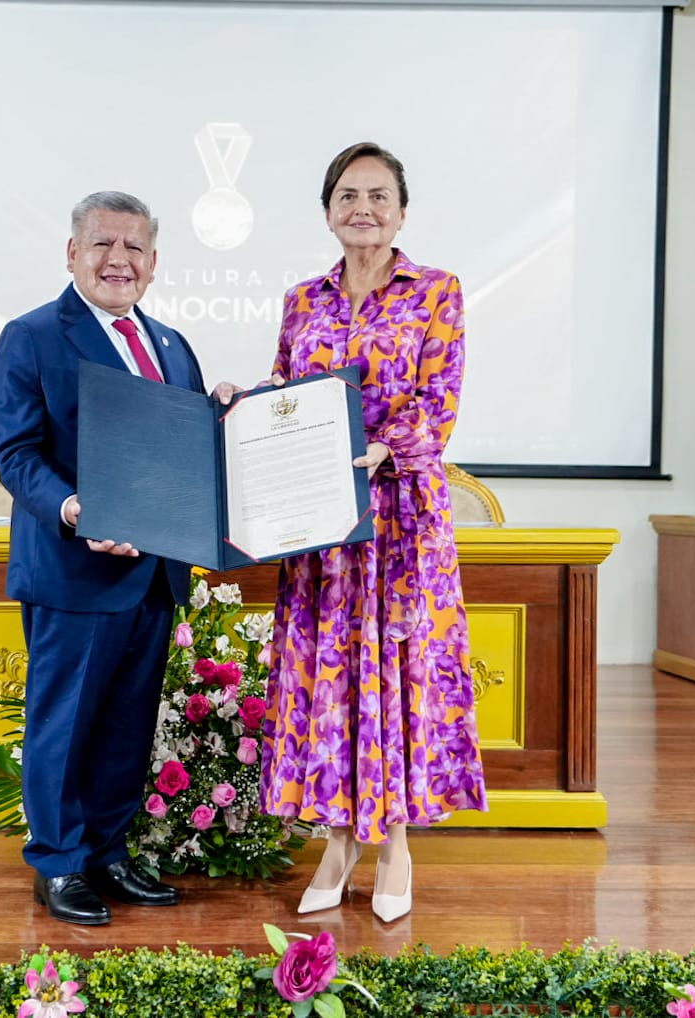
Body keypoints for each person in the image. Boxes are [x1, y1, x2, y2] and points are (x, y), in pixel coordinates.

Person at [258, 143, 488, 923]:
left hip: (400, 527)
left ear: (401, 211)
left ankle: (393, 845)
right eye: (348, 194)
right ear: (328, 209)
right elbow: (287, 399)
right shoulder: (302, 300)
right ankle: (335, 839)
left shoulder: (436, 292)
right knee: (330, 682)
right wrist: (242, 407)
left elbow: (440, 402)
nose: (363, 207)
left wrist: (389, 445)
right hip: (323, 528)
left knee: (395, 680)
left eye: (378, 195)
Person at [0, 191, 205, 926]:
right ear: (72, 253)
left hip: (152, 572)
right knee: (65, 722)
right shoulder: (33, 336)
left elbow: (189, 456)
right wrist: (76, 509)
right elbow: (15, 455)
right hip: (74, 569)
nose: (120, 260)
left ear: (154, 261)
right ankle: (57, 863)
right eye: (104, 244)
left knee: (126, 725)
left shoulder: (174, 347)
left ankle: (109, 852)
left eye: (135, 247)